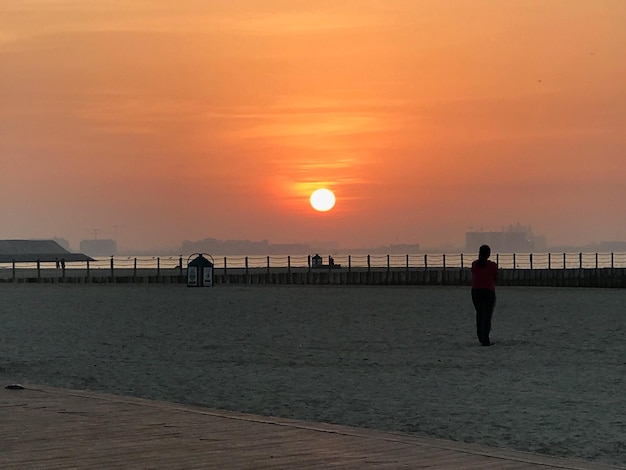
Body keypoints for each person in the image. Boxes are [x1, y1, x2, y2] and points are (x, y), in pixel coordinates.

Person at [471, 245, 498, 346]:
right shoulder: (492, 265)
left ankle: (480, 336)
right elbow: (495, 278)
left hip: (476, 291)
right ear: (488, 254)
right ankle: (485, 338)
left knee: (479, 313)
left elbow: (474, 276)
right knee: (487, 315)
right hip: (488, 291)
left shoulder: (474, 264)